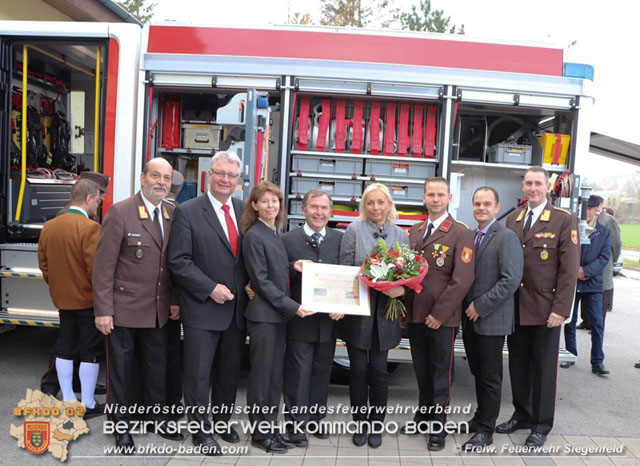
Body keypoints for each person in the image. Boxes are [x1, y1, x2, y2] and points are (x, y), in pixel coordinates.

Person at [93, 158, 182, 451]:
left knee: (156, 368)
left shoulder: (172, 213)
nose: (161, 182)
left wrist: (174, 301)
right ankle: (121, 426)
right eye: (155, 176)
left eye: (166, 178)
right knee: (121, 370)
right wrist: (103, 311)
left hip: (157, 310)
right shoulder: (121, 212)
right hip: (123, 309)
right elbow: (103, 268)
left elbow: (173, 266)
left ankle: (155, 417)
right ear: (142, 177)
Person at [168, 152, 252, 455]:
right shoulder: (188, 211)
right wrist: (209, 288)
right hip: (203, 308)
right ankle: (201, 431)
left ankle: (221, 421)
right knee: (198, 373)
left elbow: (248, 257)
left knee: (230, 372)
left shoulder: (244, 210)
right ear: (209, 175)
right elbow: (178, 261)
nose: (225, 180)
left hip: (236, 310)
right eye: (220, 173)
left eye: (231, 175)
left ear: (238, 180)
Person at [497, 166, 579, 447]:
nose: (533, 188)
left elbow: (569, 270)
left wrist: (561, 309)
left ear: (547, 187)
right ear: (523, 186)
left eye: (538, 184)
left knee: (544, 369)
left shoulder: (562, 220)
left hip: (546, 309)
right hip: (516, 307)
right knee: (518, 366)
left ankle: (541, 425)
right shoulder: (513, 219)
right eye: (528, 183)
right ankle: (522, 413)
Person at [401, 177, 475, 452]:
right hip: (416, 314)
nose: (435, 199)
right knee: (421, 369)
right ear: (423, 198)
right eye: (430, 194)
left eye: (440, 194)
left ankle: (437, 425)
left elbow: (462, 279)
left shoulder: (460, 232)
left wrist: (440, 314)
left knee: (441, 372)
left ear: (449, 198)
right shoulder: (415, 231)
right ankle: (423, 416)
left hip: (442, 318)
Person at [240, 181, 314, 454]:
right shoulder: (254, 235)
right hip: (264, 318)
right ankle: (260, 434)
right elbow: (260, 281)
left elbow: (273, 271)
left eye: (276, 201)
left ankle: (271, 429)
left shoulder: (273, 232)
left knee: (273, 379)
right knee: (261, 379)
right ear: (255, 205)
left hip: (277, 317)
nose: (272, 206)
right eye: (266, 201)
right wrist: (293, 306)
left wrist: (291, 266)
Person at [339, 182, 409, 449]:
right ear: (363, 206)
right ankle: (359, 424)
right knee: (358, 371)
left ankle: (376, 425)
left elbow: (407, 276)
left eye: (381, 202)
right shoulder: (353, 231)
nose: (376, 207)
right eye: (370, 203)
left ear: (389, 205)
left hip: (386, 315)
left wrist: (399, 290)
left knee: (379, 372)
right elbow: (345, 271)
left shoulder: (401, 235)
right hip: (359, 314)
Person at [461, 187, 523, 450]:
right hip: (470, 320)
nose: (481, 208)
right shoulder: (472, 236)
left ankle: (486, 431)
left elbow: (511, 280)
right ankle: (480, 418)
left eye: (487, 203)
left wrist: (480, 306)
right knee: (477, 372)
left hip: (491, 319)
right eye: (477, 203)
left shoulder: (506, 237)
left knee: (490, 376)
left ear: (497, 207)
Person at [281, 189, 344, 447]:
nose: (319, 213)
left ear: (331, 212)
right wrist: (291, 268)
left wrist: (343, 305)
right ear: (304, 209)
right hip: (300, 321)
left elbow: (349, 276)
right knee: (298, 373)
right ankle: (295, 425)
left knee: (321, 372)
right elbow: (278, 274)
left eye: (324, 208)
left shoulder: (340, 239)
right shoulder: (287, 240)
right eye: (314, 207)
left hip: (329, 322)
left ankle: (316, 419)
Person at [37, 179, 104, 418]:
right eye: (97, 198)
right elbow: (95, 270)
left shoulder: (50, 226)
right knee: (90, 351)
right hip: (87, 301)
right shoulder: (90, 228)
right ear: (88, 198)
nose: (99, 202)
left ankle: (67, 399)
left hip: (62, 299)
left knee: (64, 347)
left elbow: (44, 265)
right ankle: (87, 403)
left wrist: (58, 286)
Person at [561, 195, 611, 375]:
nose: (588, 211)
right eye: (585, 208)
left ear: (597, 210)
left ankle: (597, 361)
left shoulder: (603, 232)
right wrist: (575, 271)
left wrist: (586, 271)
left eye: (591, 208)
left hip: (593, 284)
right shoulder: (573, 229)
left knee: (597, 322)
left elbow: (604, 257)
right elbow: (565, 252)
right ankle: (571, 354)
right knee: (570, 321)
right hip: (573, 283)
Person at [163, 169, 185, 416]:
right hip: (171, 299)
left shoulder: (174, 214)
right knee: (171, 353)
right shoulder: (180, 212)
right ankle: (171, 402)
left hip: (158, 299)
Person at [597, 199, 621, 316]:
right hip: (592, 262)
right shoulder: (591, 218)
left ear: (601, 205)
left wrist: (614, 260)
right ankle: (586, 321)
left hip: (605, 261)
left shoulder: (608, 220)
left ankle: (598, 324)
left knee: (603, 293)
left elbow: (616, 242)